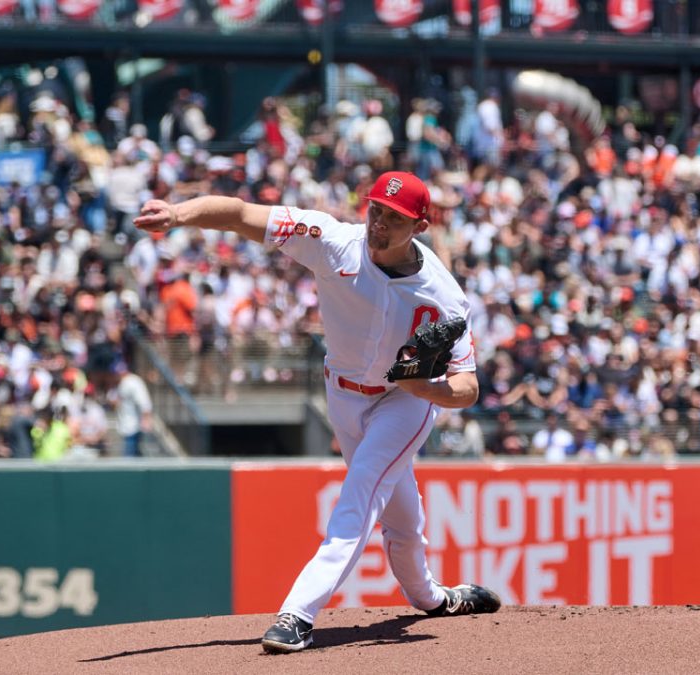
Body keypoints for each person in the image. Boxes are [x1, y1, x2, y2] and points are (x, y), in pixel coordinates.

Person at [134, 170, 501, 655]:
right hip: (341, 394)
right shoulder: (332, 240)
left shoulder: (445, 296)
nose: (380, 223)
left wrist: (421, 385)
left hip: (404, 402)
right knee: (403, 521)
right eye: (376, 210)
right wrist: (179, 214)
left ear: (421, 226)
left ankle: (298, 614)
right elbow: (244, 215)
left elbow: (467, 387)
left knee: (361, 492)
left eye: (395, 217)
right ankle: (434, 599)